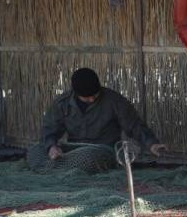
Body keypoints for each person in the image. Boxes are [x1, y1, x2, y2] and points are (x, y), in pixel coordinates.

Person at [27, 68, 166, 174]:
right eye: (87, 97)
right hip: (74, 150)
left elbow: (134, 125)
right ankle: (61, 167)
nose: (92, 99)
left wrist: (152, 144)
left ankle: (57, 169)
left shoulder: (114, 101)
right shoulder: (62, 103)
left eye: (95, 94)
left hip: (103, 151)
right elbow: (49, 129)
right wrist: (52, 147)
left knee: (88, 157)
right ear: (76, 93)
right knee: (35, 151)